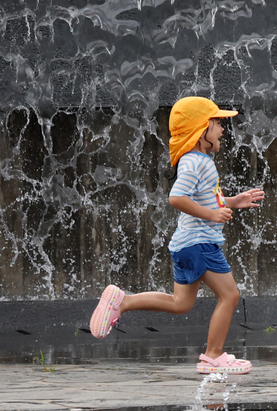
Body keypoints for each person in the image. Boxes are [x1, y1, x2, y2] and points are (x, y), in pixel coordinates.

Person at [89, 96, 265, 375]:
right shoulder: (198, 162)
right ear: (200, 130)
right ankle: (213, 357)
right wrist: (211, 216)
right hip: (200, 244)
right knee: (230, 297)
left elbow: (205, 198)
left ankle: (123, 302)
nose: (222, 130)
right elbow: (177, 197)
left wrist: (232, 201)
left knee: (180, 303)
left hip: (185, 244)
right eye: (217, 123)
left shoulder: (194, 160)